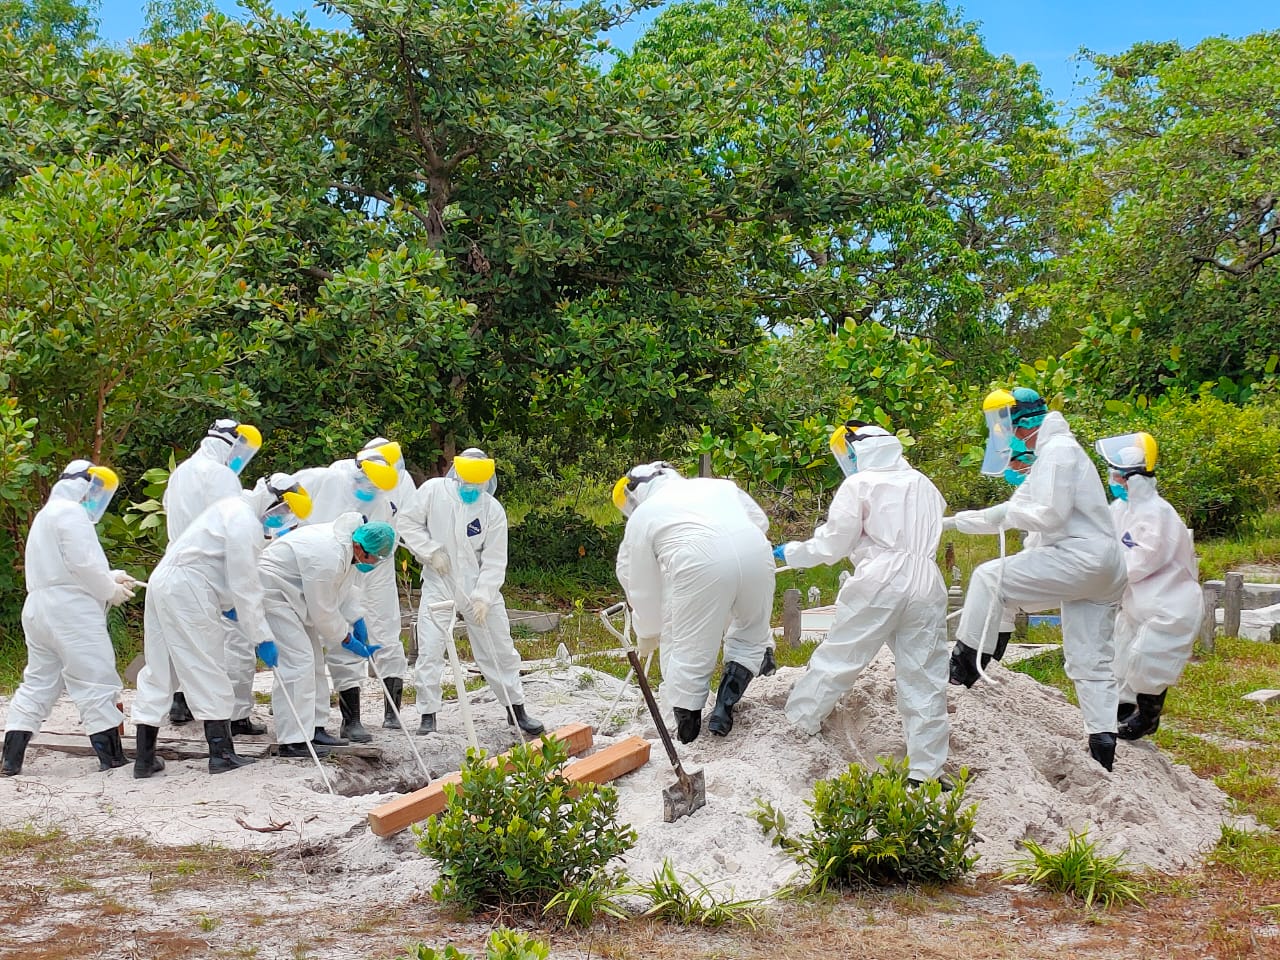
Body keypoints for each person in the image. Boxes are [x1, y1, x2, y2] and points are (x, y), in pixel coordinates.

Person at [945, 388, 1128, 772]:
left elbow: (1047, 515)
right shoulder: (1054, 453)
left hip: (1082, 559)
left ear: (1020, 421)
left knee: (990, 577)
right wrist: (946, 523)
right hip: (1104, 568)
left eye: (1002, 424)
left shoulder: (1059, 450)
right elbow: (1006, 511)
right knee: (1089, 659)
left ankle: (963, 667)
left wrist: (1007, 514)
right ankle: (1102, 746)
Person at [775, 422, 951, 788]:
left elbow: (834, 543)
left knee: (841, 655)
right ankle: (926, 771)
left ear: (860, 451)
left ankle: (796, 726)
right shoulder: (925, 484)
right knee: (925, 676)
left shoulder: (859, 484)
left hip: (881, 577)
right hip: (928, 581)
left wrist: (794, 552)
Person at [131, 474, 312, 777]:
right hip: (189, 589)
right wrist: (261, 636)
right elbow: (246, 584)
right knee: (208, 666)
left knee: (160, 668)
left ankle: (144, 758)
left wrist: (228, 608)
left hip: (165, 583)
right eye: (282, 511)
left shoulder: (232, 507)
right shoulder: (246, 523)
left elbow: (219, 568)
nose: (282, 519)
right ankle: (221, 755)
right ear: (270, 499)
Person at [613, 461, 775, 743]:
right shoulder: (719, 486)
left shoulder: (643, 516)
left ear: (635, 493)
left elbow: (639, 583)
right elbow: (760, 522)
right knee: (751, 633)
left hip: (698, 561)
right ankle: (724, 708)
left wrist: (648, 631)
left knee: (687, 649)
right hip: (756, 552)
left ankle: (688, 730)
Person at [2, 461, 138, 776]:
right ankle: (112, 758)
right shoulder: (72, 514)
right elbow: (83, 565)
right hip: (71, 610)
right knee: (95, 679)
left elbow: (65, 567)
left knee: (38, 682)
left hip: (38, 607)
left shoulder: (45, 514)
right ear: (85, 486)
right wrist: (108, 589)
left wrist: (110, 577)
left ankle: (11, 759)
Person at [398, 448, 544, 736]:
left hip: (477, 585)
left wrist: (483, 596)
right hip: (439, 582)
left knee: (499, 648)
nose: (470, 490)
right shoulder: (433, 492)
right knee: (429, 648)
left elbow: (494, 559)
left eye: (476, 485)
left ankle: (516, 710)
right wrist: (430, 551)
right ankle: (428, 715)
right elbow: (407, 522)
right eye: (466, 483)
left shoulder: (492, 510)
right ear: (457, 475)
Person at [258, 515, 394, 758]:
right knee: (298, 662)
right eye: (371, 558)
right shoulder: (328, 556)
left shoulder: (349, 549)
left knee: (315, 663)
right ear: (359, 548)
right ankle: (293, 740)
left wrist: (356, 617)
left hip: (295, 594)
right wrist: (347, 639)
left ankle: (314, 727)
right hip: (273, 592)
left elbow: (343, 589)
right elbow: (323, 611)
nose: (371, 564)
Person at [293, 442, 403, 743]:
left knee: (344, 647)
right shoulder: (321, 480)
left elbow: (370, 556)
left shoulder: (379, 503)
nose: (370, 490)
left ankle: (349, 719)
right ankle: (307, 726)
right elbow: (283, 508)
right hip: (299, 573)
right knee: (305, 655)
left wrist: (355, 616)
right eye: (367, 482)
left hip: (342, 574)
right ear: (357, 469)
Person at [1096, 432, 1202, 740]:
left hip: (1168, 605)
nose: (1112, 479)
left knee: (1149, 660)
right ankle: (1123, 708)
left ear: (1134, 478)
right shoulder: (1120, 508)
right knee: (1122, 657)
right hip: (1135, 604)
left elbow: (1139, 562)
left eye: (1116, 474)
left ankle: (1148, 716)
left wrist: (1099, 577)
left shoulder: (1157, 514)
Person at [163, 418, 263, 732]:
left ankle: (180, 703)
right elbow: (232, 523)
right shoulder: (221, 475)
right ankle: (237, 715)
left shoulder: (180, 473)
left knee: (186, 639)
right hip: (213, 568)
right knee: (236, 641)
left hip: (176, 567)